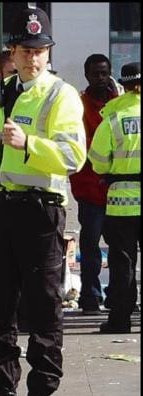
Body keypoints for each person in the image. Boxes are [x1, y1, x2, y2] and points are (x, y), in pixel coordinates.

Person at [0, 8, 86, 396]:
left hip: (41, 211)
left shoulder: (61, 93)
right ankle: (2, 386)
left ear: (49, 52)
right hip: (2, 209)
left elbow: (74, 156)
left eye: (40, 50)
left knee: (43, 305)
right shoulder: (1, 93)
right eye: (25, 49)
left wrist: (29, 145)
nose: (33, 58)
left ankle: (41, 388)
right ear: (13, 52)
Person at [88, 61, 141, 334]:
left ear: (124, 85)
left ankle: (121, 319)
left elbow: (97, 161)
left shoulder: (113, 118)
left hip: (121, 205)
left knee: (123, 264)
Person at [70, 54, 119, 315]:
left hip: (119, 191)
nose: (100, 78)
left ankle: (117, 295)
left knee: (120, 248)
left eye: (104, 73)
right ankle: (90, 296)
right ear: (87, 75)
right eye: (95, 74)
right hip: (89, 189)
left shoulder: (120, 104)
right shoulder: (79, 106)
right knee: (90, 248)